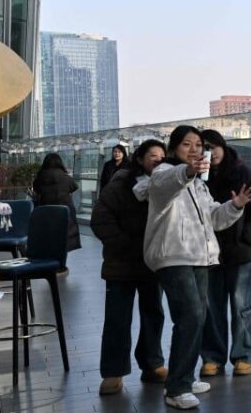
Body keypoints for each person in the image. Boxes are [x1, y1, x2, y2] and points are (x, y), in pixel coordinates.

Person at [136, 126, 251, 410]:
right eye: (187, 144)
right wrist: (188, 171)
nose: (194, 149)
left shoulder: (199, 185)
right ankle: (176, 387)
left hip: (200, 256)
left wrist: (235, 205)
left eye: (198, 144)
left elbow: (214, 218)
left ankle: (185, 378)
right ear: (174, 148)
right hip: (173, 256)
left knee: (196, 318)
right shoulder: (164, 173)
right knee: (190, 315)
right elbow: (170, 182)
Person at [90, 140, 168, 396]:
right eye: (152, 155)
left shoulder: (164, 184)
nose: (157, 159)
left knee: (153, 314)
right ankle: (113, 373)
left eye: (161, 156)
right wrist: (122, 244)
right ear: (140, 158)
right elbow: (100, 218)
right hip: (121, 263)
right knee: (117, 319)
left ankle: (152, 364)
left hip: (150, 263)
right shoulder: (122, 183)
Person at [198, 129, 251, 378]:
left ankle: (246, 354)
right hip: (209, 253)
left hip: (240, 254)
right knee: (211, 307)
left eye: (213, 145)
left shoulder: (242, 172)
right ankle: (212, 357)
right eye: (204, 147)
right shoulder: (197, 178)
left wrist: (246, 238)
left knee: (243, 307)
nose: (210, 152)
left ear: (222, 145)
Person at [31, 153, 81, 252]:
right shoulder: (65, 177)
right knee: (64, 238)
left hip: (46, 211)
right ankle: (61, 262)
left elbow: (36, 189)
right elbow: (74, 187)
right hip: (65, 212)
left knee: (48, 240)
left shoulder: (40, 176)